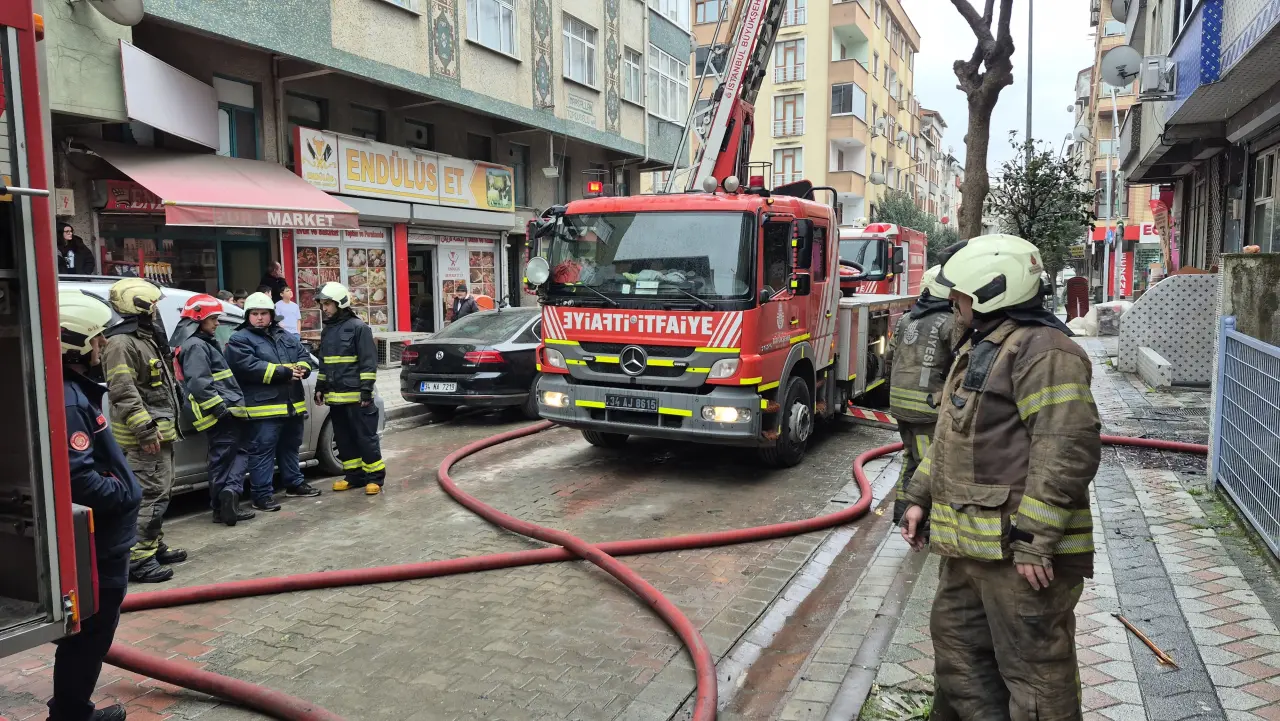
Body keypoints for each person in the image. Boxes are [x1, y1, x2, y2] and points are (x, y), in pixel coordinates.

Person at [899, 234, 1101, 721]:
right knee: (959, 660)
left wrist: (1034, 540)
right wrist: (920, 496)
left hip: (1018, 556)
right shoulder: (985, 345)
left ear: (993, 290)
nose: (954, 303)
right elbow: (952, 433)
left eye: (960, 295)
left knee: (1035, 677)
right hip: (970, 549)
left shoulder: (1046, 353)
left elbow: (1066, 447)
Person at [50, 290, 142, 721]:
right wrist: (125, 494)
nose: (103, 345)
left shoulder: (72, 391)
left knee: (86, 633)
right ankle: (71, 714)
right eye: (98, 339)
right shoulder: (71, 400)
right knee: (90, 635)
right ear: (76, 343)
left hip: (99, 539)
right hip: (99, 542)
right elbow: (79, 480)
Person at [102, 277, 184, 584]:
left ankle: (152, 543)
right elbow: (123, 391)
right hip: (145, 439)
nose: (156, 311)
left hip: (159, 434)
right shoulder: (121, 344)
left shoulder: (143, 338)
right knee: (150, 495)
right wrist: (145, 430)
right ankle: (139, 559)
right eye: (153, 305)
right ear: (139, 306)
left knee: (161, 491)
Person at [225, 292, 323, 510]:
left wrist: (303, 368)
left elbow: (304, 356)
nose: (259, 318)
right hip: (263, 409)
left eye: (264, 313)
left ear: (271, 315)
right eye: (255, 314)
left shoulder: (284, 335)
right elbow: (247, 366)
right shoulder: (239, 339)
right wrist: (285, 372)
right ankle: (262, 496)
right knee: (262, 452)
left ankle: (294, 484)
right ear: (247, 316)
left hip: (292, 405)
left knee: (290, 447)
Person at [173, 294, 256, 526]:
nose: (217, 323)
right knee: (227, 457)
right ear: (198, 319)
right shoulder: (196, 345)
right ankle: (225, 501)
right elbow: (199, 383)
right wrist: (219, 408)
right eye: (213, 319)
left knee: (229, 456)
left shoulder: (198, 343)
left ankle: (226, 500)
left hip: (224, 410)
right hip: (220, 412)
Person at [883, 265, 955, 526]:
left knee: (909, 456)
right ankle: (922, 524)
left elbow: (889, 357)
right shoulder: (949, 322)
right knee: (927, 463)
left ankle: (902, 513)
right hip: (926, 408)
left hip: (899, 404)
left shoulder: (906, 319)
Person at [314, 281, 385, 494]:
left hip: (356, 397)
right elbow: (325, 363)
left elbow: (368, 363)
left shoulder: (359, 328)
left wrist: (366, 391)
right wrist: (320, 386)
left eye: (328, 303)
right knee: (344, 439)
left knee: (365, 438)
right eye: (322, 304)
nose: (324, 308)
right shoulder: (328, 331)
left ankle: (375, 478)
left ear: (340, 303)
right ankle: (354, 477)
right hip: (336, 397)